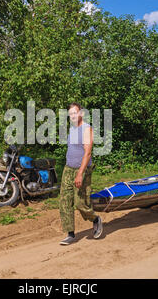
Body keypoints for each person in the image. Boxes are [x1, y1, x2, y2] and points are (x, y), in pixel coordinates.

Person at [59, 102, 103, 245]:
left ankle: (95, 219)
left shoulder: (86, 129)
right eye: (70, 113)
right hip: (68, 168)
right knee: (65, 201)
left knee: (80, 203)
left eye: (75, 113)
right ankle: (70, 234)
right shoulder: (71, 129)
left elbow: (88, 153)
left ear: (81, 113)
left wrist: (79, 174)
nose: (72, 116)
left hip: (82, 170)